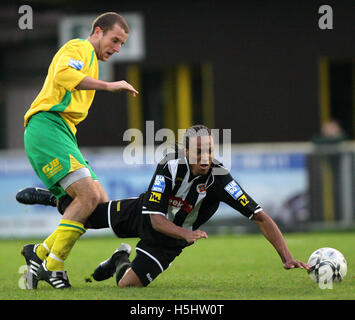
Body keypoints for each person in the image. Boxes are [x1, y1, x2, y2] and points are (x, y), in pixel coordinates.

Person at [18, 125, 310, 288]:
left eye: (210, 150)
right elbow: (155, 218)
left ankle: (119, 260)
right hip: (146, 214)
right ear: (186, 151)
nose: (205, 156)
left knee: (127, 286)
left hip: (169, 242)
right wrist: (188, 234)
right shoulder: (169, 166)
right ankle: (54, 200)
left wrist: (286, 256)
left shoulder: (221, 179)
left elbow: (260, 216)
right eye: (199, 151)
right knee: (86, 214)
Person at [21, 12, 139, 289]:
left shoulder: (91, 60)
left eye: (122, 44)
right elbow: (64, 75)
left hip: (62, 133)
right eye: (115, 40)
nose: (117, 48)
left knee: (95, 205)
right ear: (98, 31)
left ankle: (37, 253)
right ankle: (53, 266)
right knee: (86, 196)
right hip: (46, 127)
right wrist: (109, 85)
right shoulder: (80, 47)